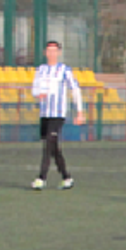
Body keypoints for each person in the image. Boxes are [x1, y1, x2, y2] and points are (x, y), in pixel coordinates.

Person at [30, 41, 85, 191]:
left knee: (48, 144)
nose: (51, 54)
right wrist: (38, 94)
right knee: (53, 147)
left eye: (54, 51)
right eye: (49, 51)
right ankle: (66, 177)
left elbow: (75, 90)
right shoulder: (40, 70)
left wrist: (79, 112)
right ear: (45, 53)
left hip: (58, 114)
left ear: (59, 53)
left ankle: (41, 178)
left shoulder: (64, 70)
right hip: (45, 114)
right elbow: (34, 89)